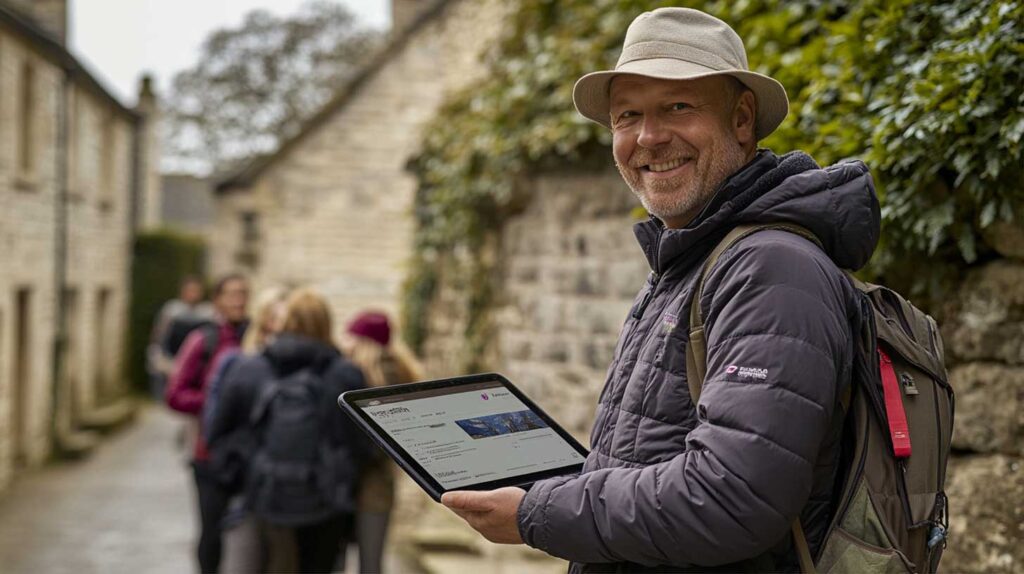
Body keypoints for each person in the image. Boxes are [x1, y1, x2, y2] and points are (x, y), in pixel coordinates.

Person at [440, 7, 880, 573]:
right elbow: (649, 458)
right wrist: (550, 479)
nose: (649, 137)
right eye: (628, 115)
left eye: (678, 106)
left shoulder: (772, 269)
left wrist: (538, 511)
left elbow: (731, 496)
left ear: (742, 119)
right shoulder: (693, 260)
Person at [207, 289, 369, 573]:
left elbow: (218, 433)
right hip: (325, 501)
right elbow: (361, 444)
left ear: (285, 322)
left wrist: (242, 474)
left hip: (262, 494)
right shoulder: (345, 374)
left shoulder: (248, 367)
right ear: (326, 324)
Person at [166, 273, 250, 574]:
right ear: (217, 300)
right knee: (212, 531)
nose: (238, 300)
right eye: (231, 293)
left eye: (243, 293)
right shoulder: (203, 340)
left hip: (250, 454)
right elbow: (174, 394)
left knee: (249, 534)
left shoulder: (256, 340)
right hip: (208, 454)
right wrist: (216, 402)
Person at [203, 287, 290, 574]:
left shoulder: (304, 366)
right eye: (278, 316)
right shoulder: (238, 361)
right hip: (245, 477)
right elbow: (216, 420)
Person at [341, 311, 424, 574]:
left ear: (364, 342)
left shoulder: (358, 379)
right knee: (372, 562)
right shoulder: (404, 373)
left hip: (351, 482)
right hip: (380, 485)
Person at [147, 275, 213, 399]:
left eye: (196, 290)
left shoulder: (208, 312)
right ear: (182, 291)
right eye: (190, 290)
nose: (193, 294)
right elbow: (159, 335)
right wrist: (159, 359)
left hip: (197, 367)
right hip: (171, 363)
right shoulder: (171, 310)